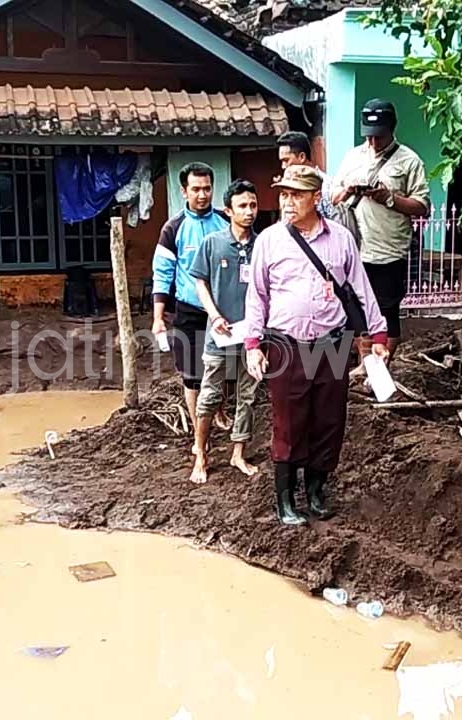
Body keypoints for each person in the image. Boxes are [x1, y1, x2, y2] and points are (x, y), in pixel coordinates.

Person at [245, 165, 390, 525]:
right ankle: (285, 500)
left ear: (315, 198)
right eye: (284, 195)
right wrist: (252, 344)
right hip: (285, 344)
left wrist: (378, 334)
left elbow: (361, 288)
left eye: (295, 195)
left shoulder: (340, 239)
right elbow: (256, 296)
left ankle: (315, 491)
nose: (288, 202)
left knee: (328, 419)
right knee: (288, 422)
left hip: (332, 342)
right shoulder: (269, 240)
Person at [332, 99, 430, 359]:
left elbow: (422, 207)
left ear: (392, 128)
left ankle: (381, 370)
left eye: (380, 136)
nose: (373, 142)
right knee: (355, 310)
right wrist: (348, 190)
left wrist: (389, 197)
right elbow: (333, 197)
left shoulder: (409, 161)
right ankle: (367, 367)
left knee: (387, 311)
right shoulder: (353, 156)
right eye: (369, 136)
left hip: (389, 251)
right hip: (354, 249)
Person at [188, 179, 262, 484]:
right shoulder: (213, 243)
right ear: (228, 210)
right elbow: (200, 282)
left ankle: (238, 454)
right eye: (242, 206)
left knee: (248, 395)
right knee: (209, 395)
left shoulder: (264, 245)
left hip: (253, 336)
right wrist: (214, 313)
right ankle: (201, 455)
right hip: (219, 333)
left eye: (253, 205)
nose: (249, 212)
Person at [152, 162, 230, 431]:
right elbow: (162, 274)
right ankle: (199, 426)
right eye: (196, 189)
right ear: (184, 191)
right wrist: (158, 318)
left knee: (219, 368)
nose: (202, 195)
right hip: (189, 310)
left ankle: (218, 411)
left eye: (207, 188)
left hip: (222, 311)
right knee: (192, 375)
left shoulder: (226, 221)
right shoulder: (173, 228)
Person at [276, 131, 336, 220]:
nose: (283, 166)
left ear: (302, 157)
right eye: (285, 195)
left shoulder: (326, 186)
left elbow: (334, 223)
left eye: (286, 160)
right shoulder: (285, 184)